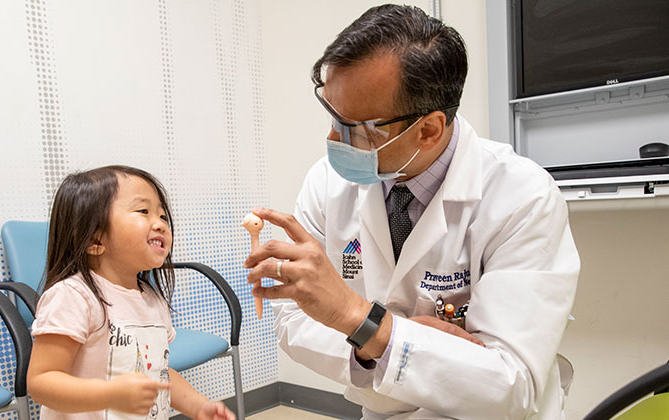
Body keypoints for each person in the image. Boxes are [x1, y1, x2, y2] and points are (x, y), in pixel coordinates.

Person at [244, 5, 579, 420]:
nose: (332, 138)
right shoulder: (327, 183)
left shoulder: (522, 196)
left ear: (429, 130)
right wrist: (387, 345)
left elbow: (510, 384)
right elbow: (295, 320)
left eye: (358, 126)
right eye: (332, 115)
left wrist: (362, 321)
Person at [27, 165, 235, 420]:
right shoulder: (73, 296)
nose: (159, 223)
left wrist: (197, 406)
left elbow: (159, 373)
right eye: (143, 211)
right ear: (95, 239)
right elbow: (41, 381)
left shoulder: (151, 297)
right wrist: (109, 394)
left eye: (162, 215)